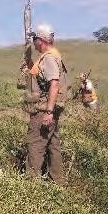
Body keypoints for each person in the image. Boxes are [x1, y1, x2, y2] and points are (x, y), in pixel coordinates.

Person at [23, 24, 69, 185]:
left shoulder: (49, 58)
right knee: (52, 145)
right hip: (49, 109)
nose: (33, 42)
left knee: (35, 146)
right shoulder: (50, 56)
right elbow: (39, 76)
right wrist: (28, 59)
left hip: (44, 110)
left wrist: (48, 112)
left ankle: (31, 186)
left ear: (41, 40)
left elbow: (54, 84)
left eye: (34, 39)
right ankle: (58, 183)